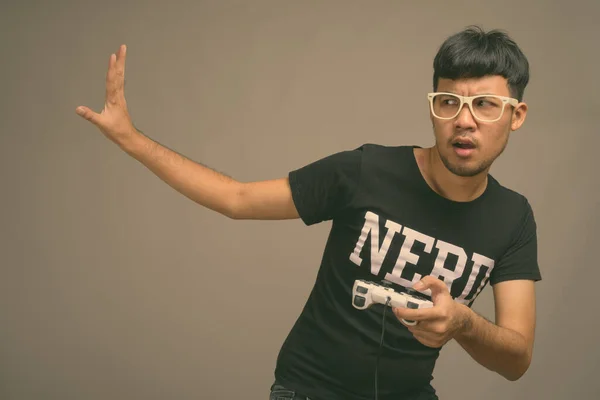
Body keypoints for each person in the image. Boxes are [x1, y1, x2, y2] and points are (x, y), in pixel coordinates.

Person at [76, 25, 541, 400]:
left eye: (484, 105)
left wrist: (463, 322)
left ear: (515, 115)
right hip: (309, 390)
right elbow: (236, 199)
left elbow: (516, 359)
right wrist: (129, 138)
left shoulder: (513, 218)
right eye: (448, 103)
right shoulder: (366, 170)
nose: (464, 120)